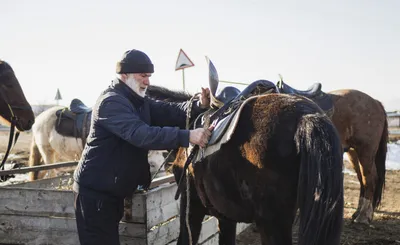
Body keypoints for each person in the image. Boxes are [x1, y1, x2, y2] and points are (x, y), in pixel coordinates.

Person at [73, 49, 212, 245]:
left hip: (111, 191)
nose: (147, 81)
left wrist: (198, 104)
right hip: (95, 193)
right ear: (124, 76)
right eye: (143, 76)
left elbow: (168, 111)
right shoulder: (111, 103)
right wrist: (188, 136)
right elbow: (141, 134)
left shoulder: (138, 100)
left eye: (149, 76)